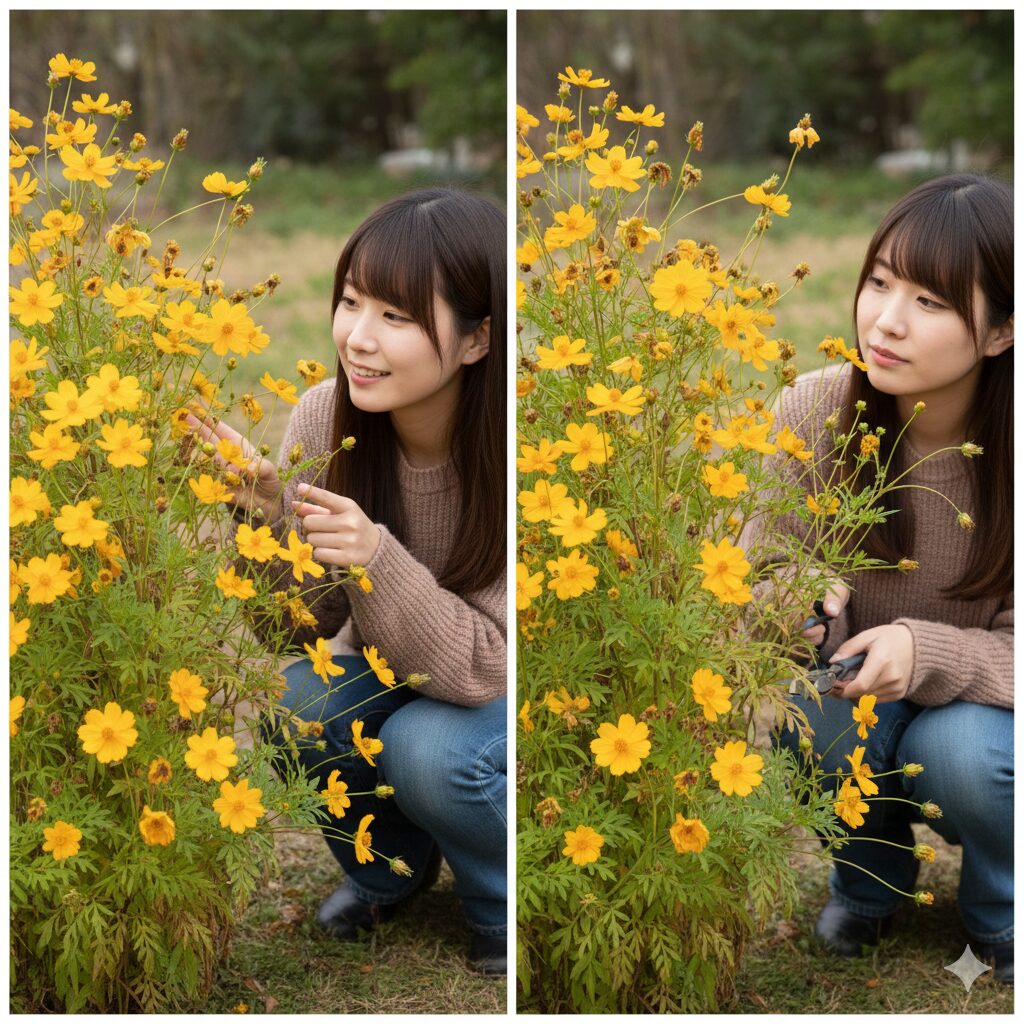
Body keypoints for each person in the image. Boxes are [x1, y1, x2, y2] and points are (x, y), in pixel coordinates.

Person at [188, 188, 507, 975]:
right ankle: (386, 867)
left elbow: (486, 668)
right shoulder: (325, 416)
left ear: (476, 341)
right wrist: (267, 513)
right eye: (352, 302)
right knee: (297, 704)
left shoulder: (518, 452)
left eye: (397, 317)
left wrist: (376, 559)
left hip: (495, 690)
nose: (358, 339)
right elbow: (292, 631)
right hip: (399, 668)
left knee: (428, 750)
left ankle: (503, 897)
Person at [772, 175, 1013, 981]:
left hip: (985, 715)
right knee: (805, 715)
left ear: (1002, 332)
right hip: (856, 695)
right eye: (879, 282)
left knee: (968, 755)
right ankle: (869, 882)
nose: (886, 320)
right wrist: (795, 597)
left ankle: (1001, 906)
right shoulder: (811, 412)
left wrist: (928, 650)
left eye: (931, 302)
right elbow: (755, 560)